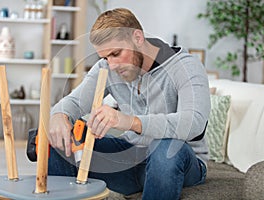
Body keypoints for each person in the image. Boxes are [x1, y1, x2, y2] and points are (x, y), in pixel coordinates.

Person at [48, 8, 211, 200]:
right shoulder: (106, 68)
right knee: (58, 139)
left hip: (179, 161)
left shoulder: (186, 66)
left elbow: (194, 123)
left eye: (116, 53)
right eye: (105, 57)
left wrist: (130, 122)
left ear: (138, 37)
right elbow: (74, 102)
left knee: (165, 148)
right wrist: (59, 116)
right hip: (130, 157)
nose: (112, 65)